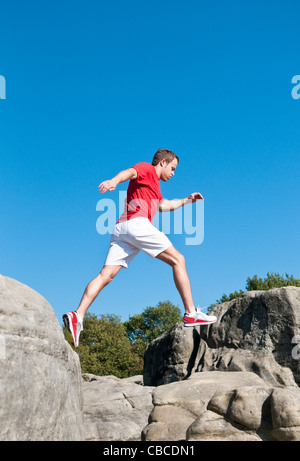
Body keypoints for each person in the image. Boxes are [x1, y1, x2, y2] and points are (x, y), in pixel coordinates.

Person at [63, 149, 217, 347]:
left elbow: (163, 205)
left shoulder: (155, 187)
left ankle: (78, 316)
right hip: (137, 224)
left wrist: (187, 201)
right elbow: (129, 172)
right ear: (162, 162)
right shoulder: (146, 169)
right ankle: (191, 313)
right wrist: (114, 181)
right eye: (173, 168)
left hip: (122, 229)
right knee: (178, 260)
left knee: (106, 275)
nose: (173, 173)